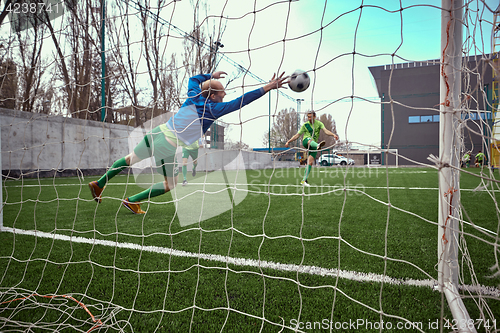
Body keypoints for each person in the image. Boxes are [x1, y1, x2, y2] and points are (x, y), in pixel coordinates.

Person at [88, 70, 289, 214]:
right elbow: (240, 101)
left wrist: (211, 76)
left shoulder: (193, 94)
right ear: (212, 95)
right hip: (166, 144)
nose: (225, 95)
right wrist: (267, 88)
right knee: (171, 184)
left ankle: (100, 183)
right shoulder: (212, 109)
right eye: (222, 92)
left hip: (157, 132)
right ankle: (132, 201)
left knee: (130, 158)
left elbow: (194, 78)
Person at [285, 111, 339, 186]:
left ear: (314, 117)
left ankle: (304, 181)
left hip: (313, 146)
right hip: (306, 142)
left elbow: (325, 130)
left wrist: (333, 134)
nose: (309, 118)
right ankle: (317, 145)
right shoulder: (305, 125)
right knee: (310, 140)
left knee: (310, 163)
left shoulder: (319, 123)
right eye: (308, 117)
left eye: (310, 117)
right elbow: (297, 135)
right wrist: (288, 141)